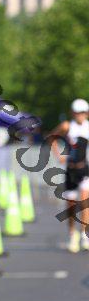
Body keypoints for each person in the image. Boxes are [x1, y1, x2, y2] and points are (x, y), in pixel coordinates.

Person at [49, 99, 89, 253]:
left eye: (83, 112)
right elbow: (52, 137)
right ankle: (73, 235)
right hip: (71, 170)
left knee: (85, 201)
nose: (80, 115)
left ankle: (85, 235)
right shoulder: (67, 126)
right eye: (77, 113)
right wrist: (58, 155)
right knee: (71, 204)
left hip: (84, 169)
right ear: (73, 113)